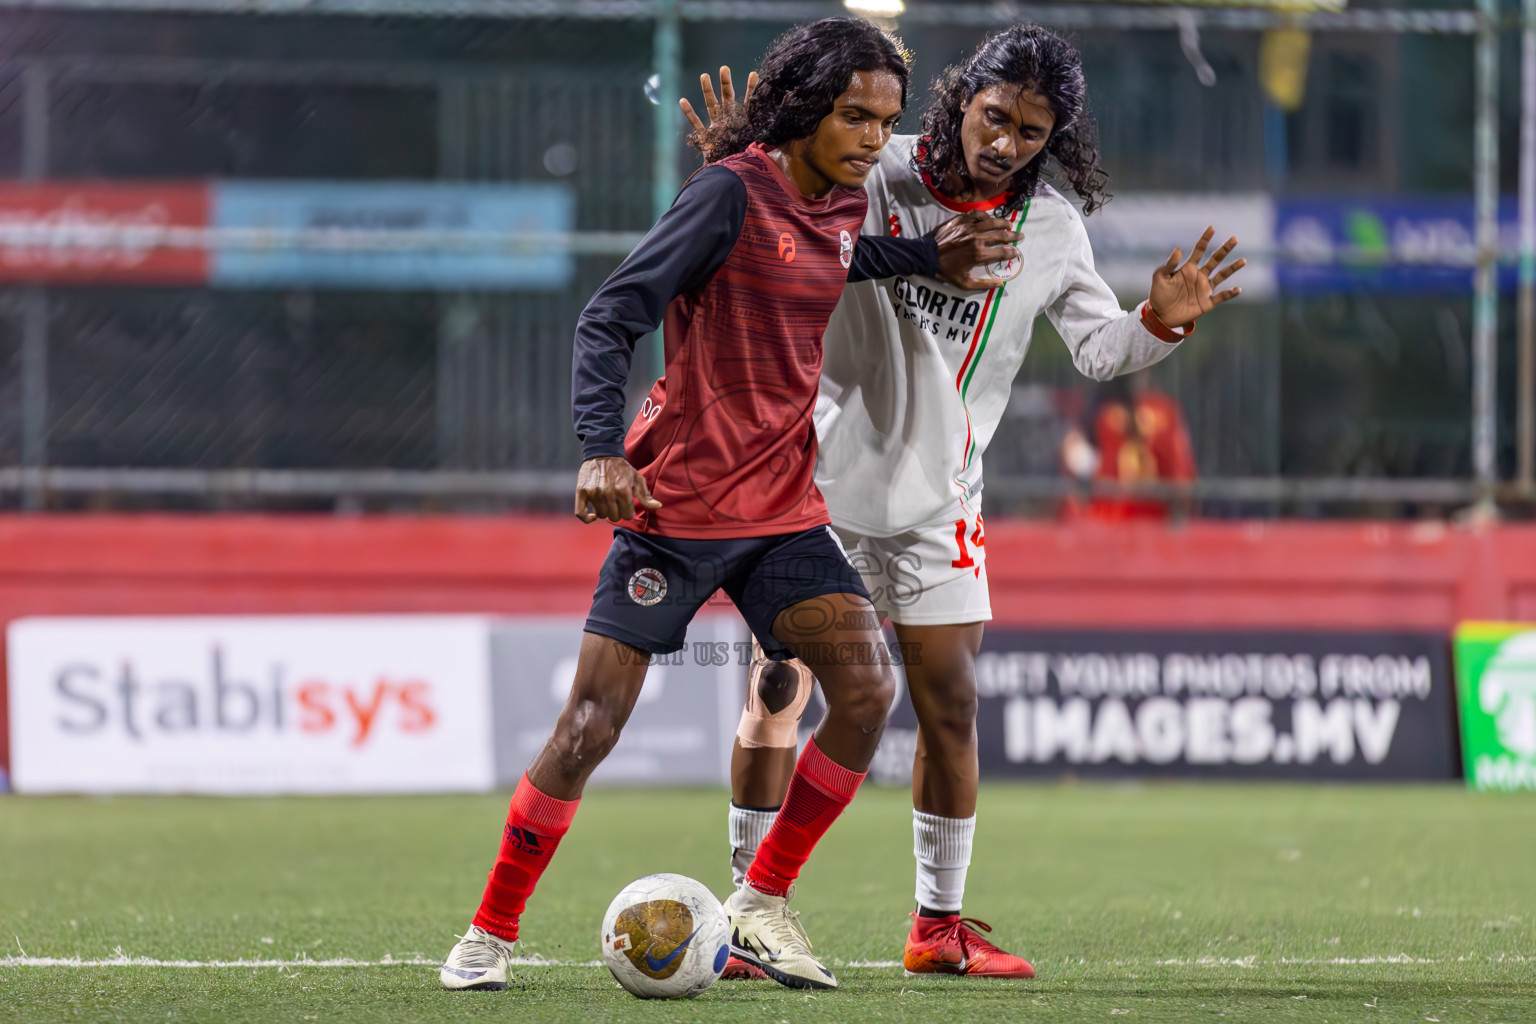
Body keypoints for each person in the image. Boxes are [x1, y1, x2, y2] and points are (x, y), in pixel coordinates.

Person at [438, 17, 1018, 995]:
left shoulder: (838, 205)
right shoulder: (724, 195)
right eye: (854, 116)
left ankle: (760, 899)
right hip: (677, 510)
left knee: (869, 691)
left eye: (885, 122)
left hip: (784, 515)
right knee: (589, 725)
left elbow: (834, 261)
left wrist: (923, 257)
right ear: (804, 107)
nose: (875, 140)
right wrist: (598, 450)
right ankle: (490, 930)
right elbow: (610, 314)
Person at [682, 23, 1245, 981]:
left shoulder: (1053, 229)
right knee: (781, 689)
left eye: (1032, 131)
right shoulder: (875, 167)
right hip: (812, 485)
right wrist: (745, 156)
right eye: (995, 117)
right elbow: (766, 226)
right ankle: (748, 914)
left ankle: (937, 929)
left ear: (1053, 137)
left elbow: (1102, 350)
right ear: (960, 100)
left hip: (941, 502)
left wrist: (1159, 321)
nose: (1007, 143)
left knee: (950, 707)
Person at [1061, 369, 1199, 520]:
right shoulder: (1165, 411)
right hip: (1153, 518)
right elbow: (1182, 477)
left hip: (1113, 517)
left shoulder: (1106, 415)